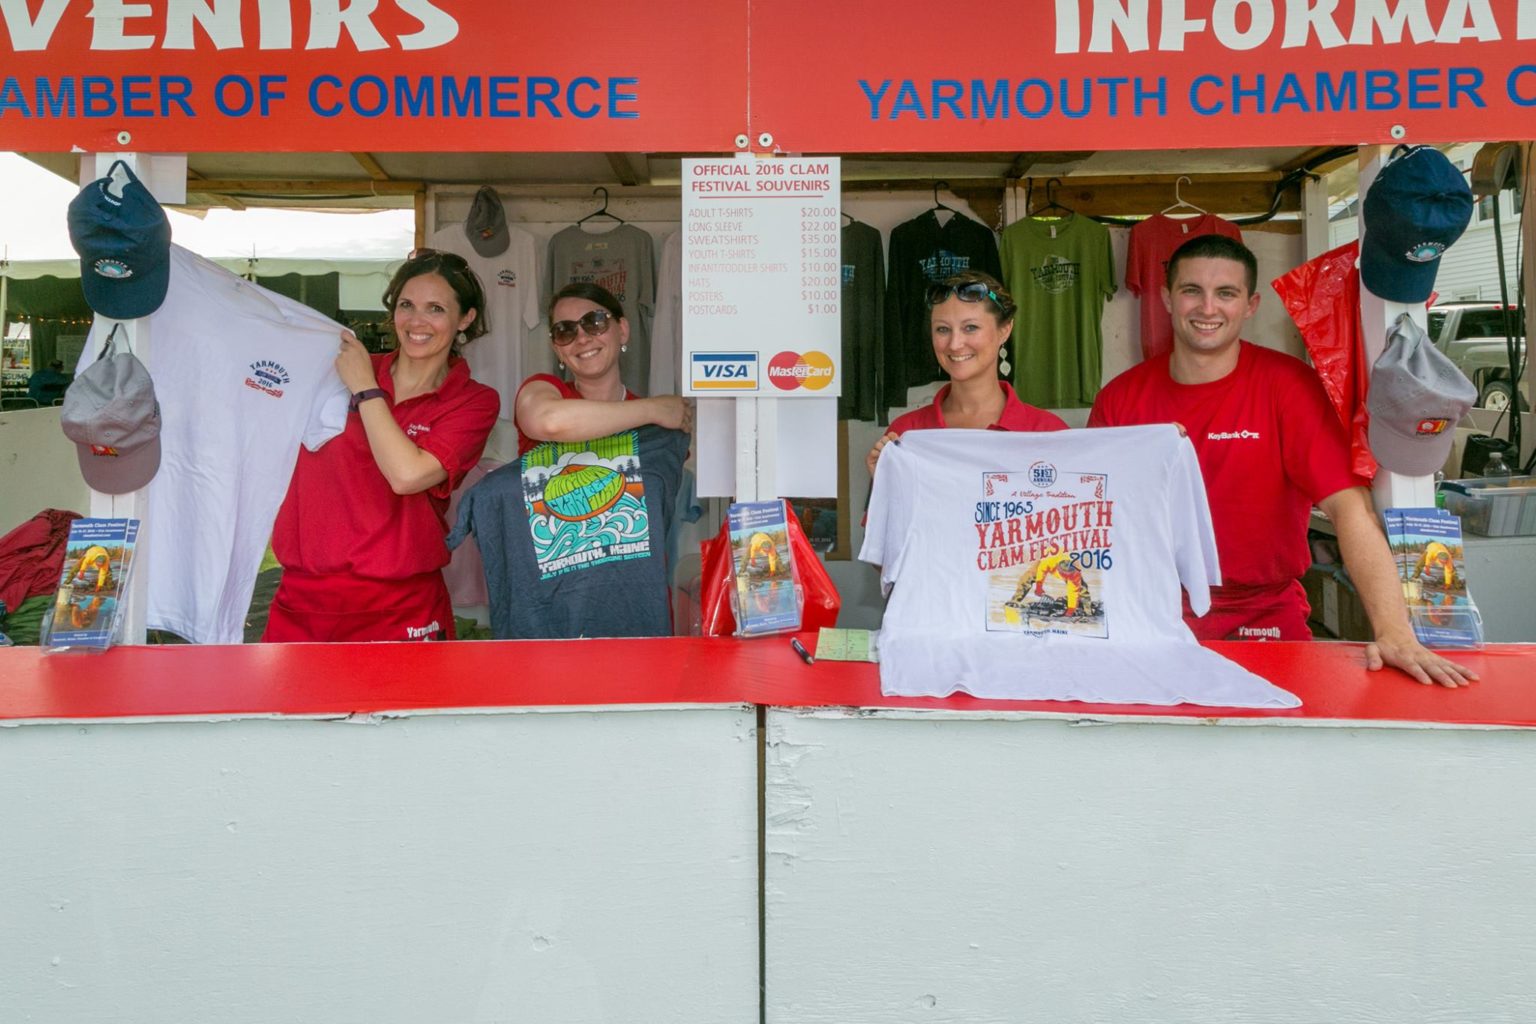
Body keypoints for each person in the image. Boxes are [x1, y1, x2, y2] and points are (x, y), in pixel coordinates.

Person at [1088, 234, 1476, 688]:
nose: (1207, 308)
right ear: (1166, 299)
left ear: (1250, 305)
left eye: (1226, 293)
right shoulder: (1121, 398)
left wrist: (1394, 631)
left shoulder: (1289, 387)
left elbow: (1349, 510)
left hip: (1262, 614)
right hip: (1150, 611)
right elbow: (1094, 522)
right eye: (1192, 290)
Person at [264, 249, 499, 642]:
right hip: (306, 601)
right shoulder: (332, 370)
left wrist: (365, 389)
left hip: (403, 606)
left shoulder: (473, 400)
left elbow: (407, 475)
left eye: (436, 308)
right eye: (406, 305)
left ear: (466, 319)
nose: (416, 321)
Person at [866, 271, 1067, 479]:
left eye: (970, 328)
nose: (954, 344)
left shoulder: (1049, 432)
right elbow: (890, 511)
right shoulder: (906, 433)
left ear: (1005, 330)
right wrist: (883, 483)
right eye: (943, 329)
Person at [513, 281, 692, 451]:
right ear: (558, 350)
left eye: (595, 322)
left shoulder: (658, 421)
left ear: (622, 330)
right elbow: (549, 421)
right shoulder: (542, 389)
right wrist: (654, 410)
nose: (582, 338)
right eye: (565, 331)